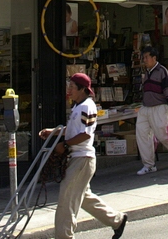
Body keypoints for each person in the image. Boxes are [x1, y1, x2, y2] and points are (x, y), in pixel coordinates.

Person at [39, 74, 127, 239]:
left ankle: (64, 236)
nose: (69, 90)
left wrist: (64, 145)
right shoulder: (78, 107)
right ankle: (117, 220)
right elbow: (74, 130)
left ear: (82, 89)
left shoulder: (86, 106)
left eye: (72, 87)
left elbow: (85, 135)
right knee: (83, 197)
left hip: (82, 158)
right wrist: (53, 132)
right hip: (78, 157)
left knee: (67, 200)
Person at [135, 46, 168, 175]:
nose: (144, 60)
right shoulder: (146, 72)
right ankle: (148, 165)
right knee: (142, 135)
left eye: (146, 57)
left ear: (154, 58)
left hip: (159, 107)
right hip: (146, 108)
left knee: (163, 135)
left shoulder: (162, 71)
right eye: (143, 57)